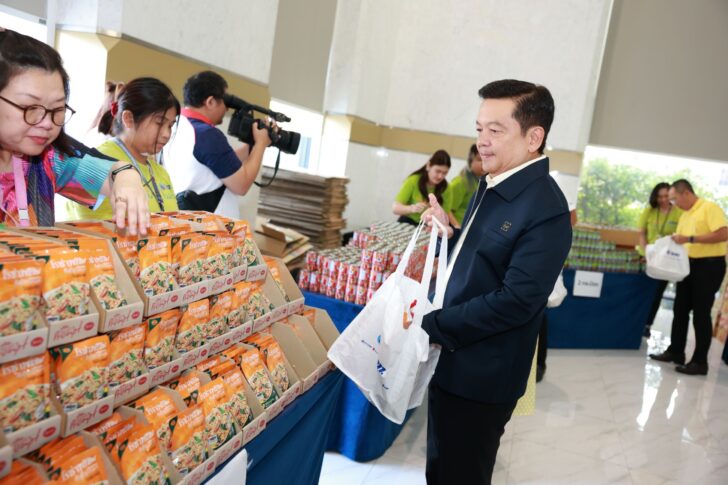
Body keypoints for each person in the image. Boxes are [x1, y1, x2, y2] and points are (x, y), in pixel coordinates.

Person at [421, 79, 571, 484]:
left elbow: (516, 301)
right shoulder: (493, 183)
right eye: (479, 128)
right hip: (452, 357)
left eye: (496, 130)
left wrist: (433, 325)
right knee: (440, 467)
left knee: (461, 473)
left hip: (481, 375)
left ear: (533, 138)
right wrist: (449, 233)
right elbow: (484, 257)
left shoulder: (546, 208)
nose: (482, 141)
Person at [0, 28, 148, 234]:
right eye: (30, 107)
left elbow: (112, 172)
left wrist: (127, 177)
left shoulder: (47, 162)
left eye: (57, 109)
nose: (47, 123)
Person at [65, 77, 180, 220]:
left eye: (170, 126)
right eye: (159, 123)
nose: (167, 134)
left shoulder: (160, 172)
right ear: (128, 118)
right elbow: (82, 222)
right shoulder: (99, 161)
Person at [162, 70, 272, 218]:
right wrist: (261, 144)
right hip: (212, 228)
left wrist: (251, 147)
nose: (227, 109)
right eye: (225, 102)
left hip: (187, 221)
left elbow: (220, 163)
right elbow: (241, 185)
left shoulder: (178, 126)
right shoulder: (207, 134)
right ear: (210, 102)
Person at [649, 179, 727, 375]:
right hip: (688, 266)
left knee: (701, 313)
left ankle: (700, 362)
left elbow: (723, 233)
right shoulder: (685, 215)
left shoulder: (709, 208)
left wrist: (690, 239)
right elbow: (684, 241)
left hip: (709, 265)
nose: (673, 204)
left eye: (674, 199)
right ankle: (676, 352)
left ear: (686, 193)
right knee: (680, 309)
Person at [638, 182, 682, 337]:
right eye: (659, 196)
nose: (663, 199)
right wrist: (646, 253)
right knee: (643, 291)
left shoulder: (678, 212)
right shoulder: (649, 211)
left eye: (666, 196)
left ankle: (647, 325)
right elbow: (641, 233)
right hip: (646, 258)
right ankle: (636, 321)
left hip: (665, 261)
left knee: (656, 294)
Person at [392, 149, 454, 226]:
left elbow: (446, 213)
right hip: (407, 222)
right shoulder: (413, 180)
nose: (440, 176)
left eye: (444, 173)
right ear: (428, 166)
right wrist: (412, 208)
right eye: (438, 171)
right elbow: (395, 208)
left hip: (429, 225)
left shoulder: (446, 188)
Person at [446, 144, 486, 227]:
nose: (483, 163)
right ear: (470, 161)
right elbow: (446, 210)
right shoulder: (460, 182)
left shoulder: (481, 182)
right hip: (456, 229)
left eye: (486, 160)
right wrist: (458, 229)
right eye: (479, 160)